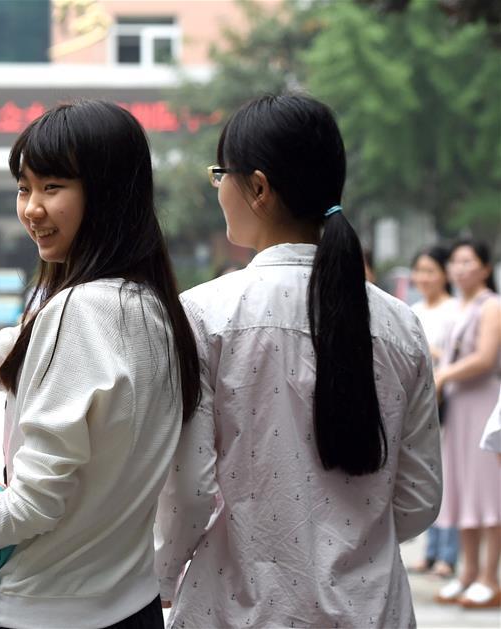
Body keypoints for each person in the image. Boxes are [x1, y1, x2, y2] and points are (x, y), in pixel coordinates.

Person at [0, 99, 202, 628]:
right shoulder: (153, 308)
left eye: (53, 187)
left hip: (45, 612)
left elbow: (33, 506)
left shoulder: (80, 311)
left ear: (109, 193)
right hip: (129, 605)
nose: (32, 209)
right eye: (25, 187)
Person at [157, 94, 442, 628]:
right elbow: (419, 498)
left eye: (221, 174)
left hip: (239, 608)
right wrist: (348, 536)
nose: (218, 188)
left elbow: (189, 486)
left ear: (258, 188)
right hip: (372, 609)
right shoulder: (401, 325)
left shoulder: (206, 315)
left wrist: (161, 573)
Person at [433, 239, 501, 609]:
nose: (460, 268)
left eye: (468, 261)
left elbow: (485, 358)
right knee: (464, 491)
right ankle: (468, 572)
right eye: (455, 262)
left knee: (488, 492)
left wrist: (443, 376)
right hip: (461, 407)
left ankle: (490, 576)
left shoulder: (491, 305)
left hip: (483, 404)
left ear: (485, 268)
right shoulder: (460, 307)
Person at [407, 245, 460, 578]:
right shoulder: (411, 309)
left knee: (452, 475)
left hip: (449, 400)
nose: (424, 277)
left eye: (431, 270)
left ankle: (447, 553)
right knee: (424, 469)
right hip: (418, 400)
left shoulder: (455, 310)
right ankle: (430, 550)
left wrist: (433, 352)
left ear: (444, 274)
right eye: (420, 271)